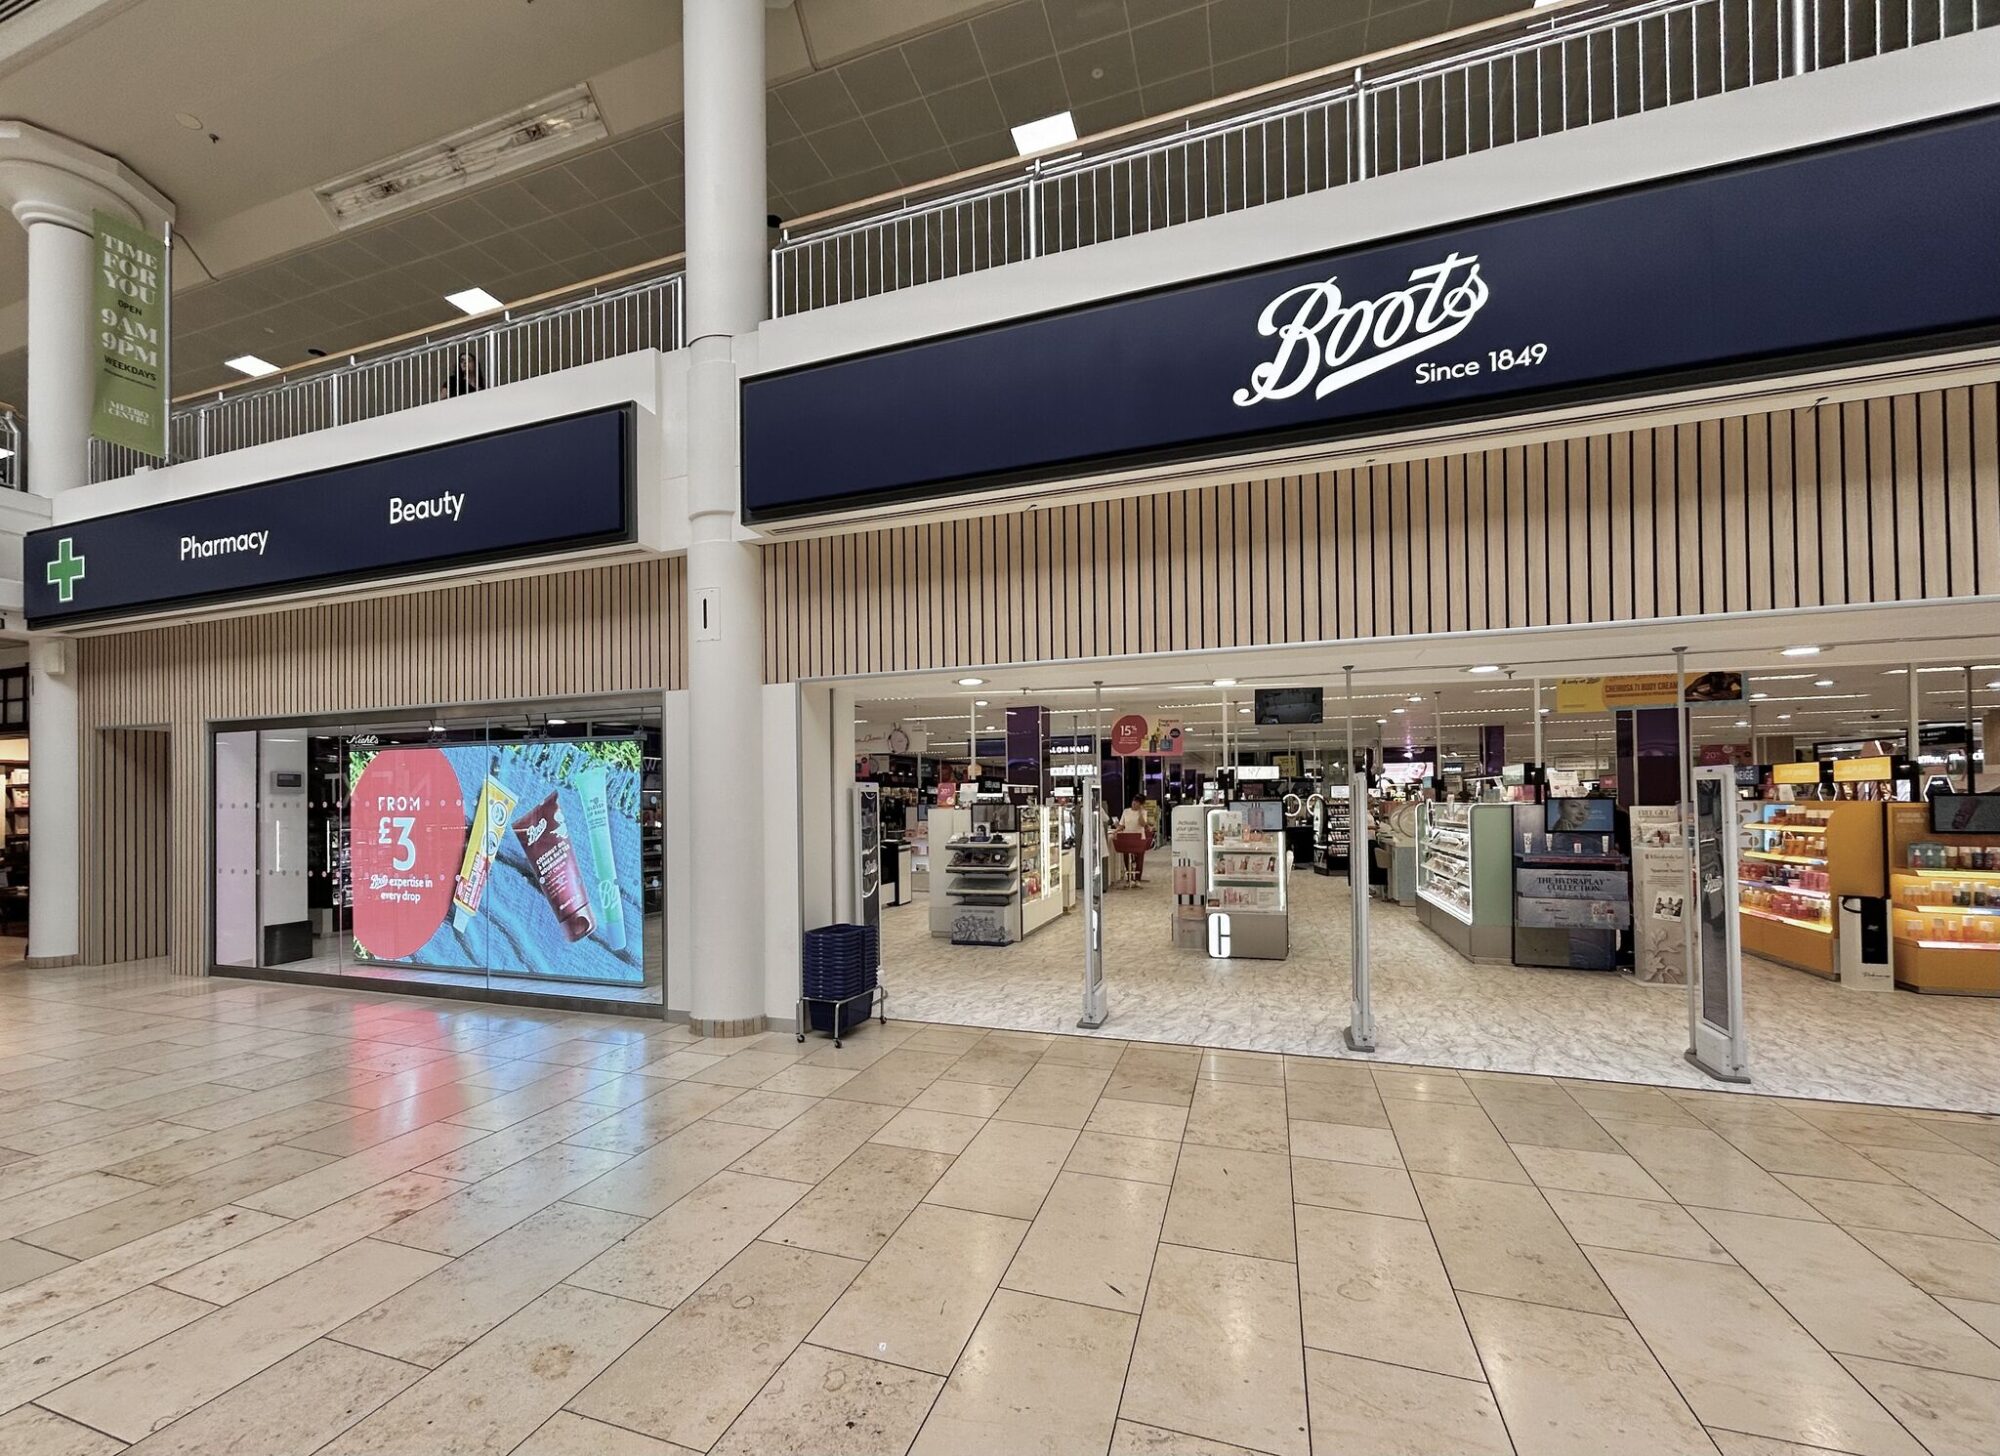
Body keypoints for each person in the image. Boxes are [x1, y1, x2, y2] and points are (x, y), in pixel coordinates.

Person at [1117, 793, 1152, 885]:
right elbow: (1121, 825)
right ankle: (1129, 878)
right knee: (1126, 857)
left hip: (1139, 837)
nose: (1134, 804)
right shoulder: (1126, 811)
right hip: (1127, 836)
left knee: (1139, 858)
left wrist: (1140, 812)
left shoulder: (1143, 812)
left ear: (1140, 804)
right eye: (1134, 801)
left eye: (1137, 803)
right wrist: (1115, 831)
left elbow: (1142, 824)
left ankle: (1137, 879)